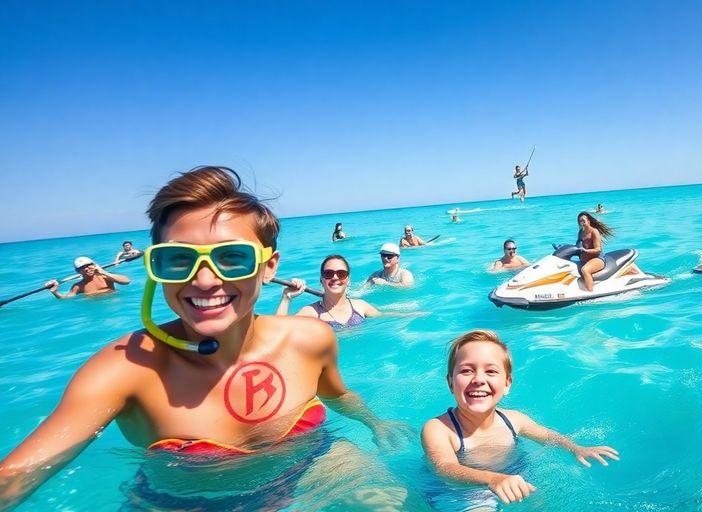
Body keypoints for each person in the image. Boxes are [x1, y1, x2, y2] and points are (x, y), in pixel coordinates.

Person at [0, 166, 410, 508]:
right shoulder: (127, 368)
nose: (205, 280)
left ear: (269, 268)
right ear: (155, 266)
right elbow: (17, 475)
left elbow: (337, 394)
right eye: (177, 259)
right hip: (185, 502)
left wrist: (375, 422)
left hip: (317, 469)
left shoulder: (310, 338)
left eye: (232, 257)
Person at [421, 330, 619, 506]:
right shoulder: (438, 428)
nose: (479, 379)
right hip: (462, 493)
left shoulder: (514, 420)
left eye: (490, 371)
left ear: (507, 384)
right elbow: (445, 468)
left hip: (511, 477)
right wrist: (493, 479)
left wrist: (576, 448)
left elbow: (548, 436)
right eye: (466, 370)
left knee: (540, 503)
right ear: (450, 382)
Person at [276, 255, 381, 328]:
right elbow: (278, 333)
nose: (335, 277)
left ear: (348, 280)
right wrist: (286, 297)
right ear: (321, 280)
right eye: (328, 274)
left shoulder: (361, 306)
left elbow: (387, 317)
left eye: (341, 274)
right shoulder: (311, 312)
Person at [44, 256, 131, 298]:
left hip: (113, 305)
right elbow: (65, 299)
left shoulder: (105, 277)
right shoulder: (78, 286)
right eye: (82, 268)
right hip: (94, 309)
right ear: (78, 271)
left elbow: (127, 281)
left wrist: (104, 272)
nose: (86, 269)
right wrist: (55, 292)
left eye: (88, 265)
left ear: (94, 265)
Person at [576, 212, 614, 292]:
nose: (581, 223)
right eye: (579, 221)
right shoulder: (580, 232)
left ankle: (590, 292)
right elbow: (578, 244)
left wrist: (586, 250)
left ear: (588, 221)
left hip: (597, 259)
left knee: (585, 270)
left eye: (583, 221)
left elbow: (598, 249)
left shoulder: (594, 232)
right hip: (585, 260)